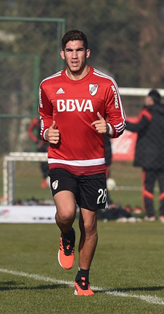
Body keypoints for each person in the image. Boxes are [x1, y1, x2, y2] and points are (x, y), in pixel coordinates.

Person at [39, 30, 126, 296]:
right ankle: (66, 236)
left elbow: (120, 123)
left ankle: (83, 278)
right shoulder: (48, 85)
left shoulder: (105, 83)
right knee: (66, 214)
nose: (74, 55)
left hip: (94, 165)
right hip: (62, 161)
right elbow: (44, 117)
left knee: (89, 225)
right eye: (69, 50)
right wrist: (46, 133)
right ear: (62, 53)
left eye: (79, 50)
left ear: (87, 53)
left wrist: (108, 127)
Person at [125, 89, 164, 222]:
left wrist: (121, 123)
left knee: (148, 187)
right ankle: (163, 215)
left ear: (151, 100)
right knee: (163, 187)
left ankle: (151, 214)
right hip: (162, 156)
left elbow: (137, 127)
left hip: (149, 157)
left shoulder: (147, 112)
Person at [27, 117, 50, 188]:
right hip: (41, 144)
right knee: (42, 163)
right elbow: (29, 130)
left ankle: (51, 179)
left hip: (49, 143)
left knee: (50, 162)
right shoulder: (37, 120)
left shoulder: (52, 118)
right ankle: (44, 179)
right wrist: (36, 140)